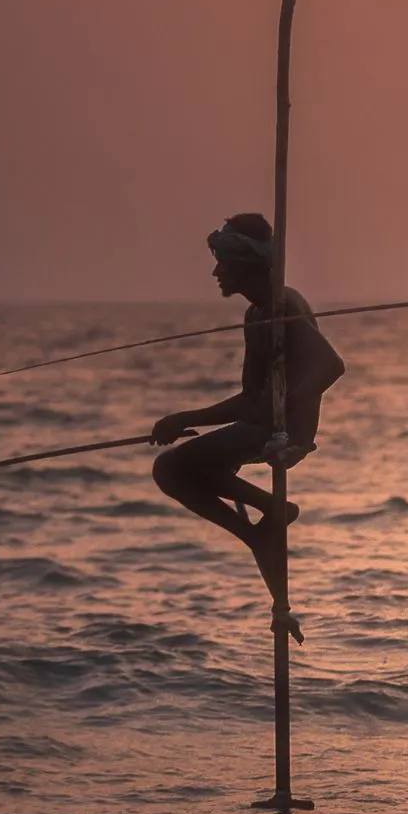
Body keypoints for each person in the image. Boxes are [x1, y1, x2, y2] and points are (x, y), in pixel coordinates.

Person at [149, 213, 345, 635]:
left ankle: (270, 514)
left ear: (246, 262)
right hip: (260, 427)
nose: (216, 271)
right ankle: (271, 569)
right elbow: (248, 400)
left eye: (223, 260)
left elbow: (331, 366)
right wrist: (187, 419)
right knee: (187, 471)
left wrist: (285, 410)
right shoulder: (256, 315)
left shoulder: (284, 304)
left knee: (169, 468)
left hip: (283, 433)